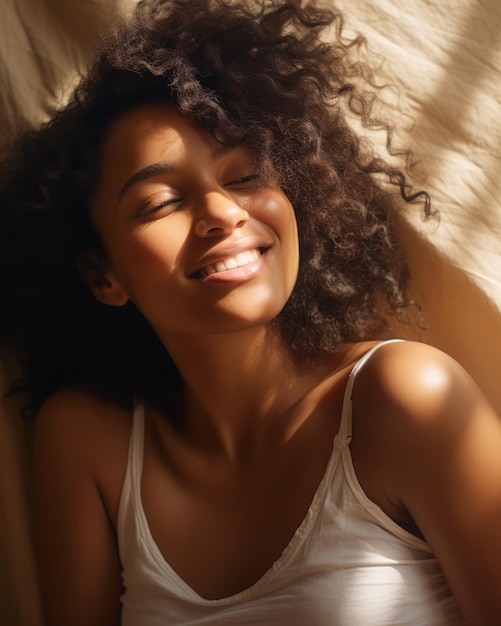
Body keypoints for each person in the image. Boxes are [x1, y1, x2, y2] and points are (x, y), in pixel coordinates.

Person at [0, 0, 500, 624]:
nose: (222, 212)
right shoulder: (86, 444)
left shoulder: (405, 398)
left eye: (244, 176)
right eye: (160, 203)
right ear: (104, 276)